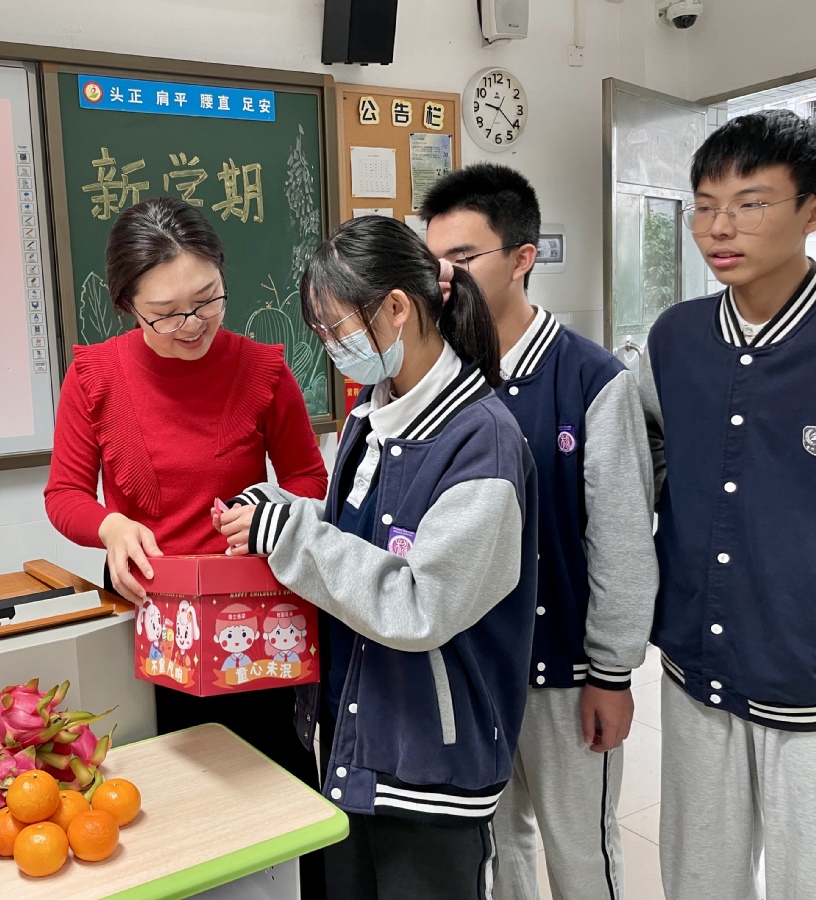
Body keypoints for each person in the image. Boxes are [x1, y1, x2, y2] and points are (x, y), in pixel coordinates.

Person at [218, 215, 539, 899]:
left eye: (337, 329)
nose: (332, 348)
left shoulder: (484, 442)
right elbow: (354, 539)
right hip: (355, 747)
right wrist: (278, 514)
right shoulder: (372, 414)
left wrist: (294, 536)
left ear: (397, 308)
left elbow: (418, 603)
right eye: (324, 333)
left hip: (431, 767)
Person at [43, 196, 329, 894]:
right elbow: (65, 495)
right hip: (148, 625)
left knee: (274, 798)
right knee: (163, 809)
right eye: (166, 313)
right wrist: (110, 526)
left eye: (207, 301)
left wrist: (265, 509)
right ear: (126, 305)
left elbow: (307, 478)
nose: (191, 324)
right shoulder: (95, 376)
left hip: (250, 623)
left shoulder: (262, 368)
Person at [422, 164, 658, 900]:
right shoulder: (437, 374)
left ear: (523, 258)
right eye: (434, 260)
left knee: (580, 849)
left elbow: (621, 540)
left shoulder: (591, 378)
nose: (444, 278)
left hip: (566, 673)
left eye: (463, 258)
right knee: (498, 847)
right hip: (473, 667)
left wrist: (611, 673)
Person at [639, 110, 816, 900]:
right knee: (700, 878)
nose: (720, 226)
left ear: (810, 211)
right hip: (696, 667)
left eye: (751, 203)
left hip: (807, 679)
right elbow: (635, 478)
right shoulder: (673, 339)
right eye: (704, 204)